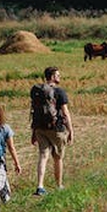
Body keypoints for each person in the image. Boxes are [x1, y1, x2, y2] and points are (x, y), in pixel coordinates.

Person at [32, 66, 73, 196]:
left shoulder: (38, 91)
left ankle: (40, 186)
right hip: (56, 129)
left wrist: (34, 132)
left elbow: (34, 112)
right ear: (53, 77)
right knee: (58, 158)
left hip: (39, 128)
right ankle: (59, 185)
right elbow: (65, 113)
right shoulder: (59, 92)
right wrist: (71, 130)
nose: (59, 77)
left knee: (43, 156)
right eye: (58, 75)